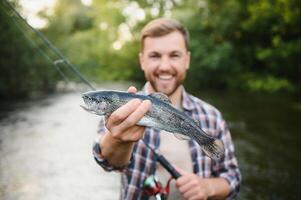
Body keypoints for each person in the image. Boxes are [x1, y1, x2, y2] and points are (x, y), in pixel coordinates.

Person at [92, 18, 241, 200]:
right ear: (142, 61)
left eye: (174, 55)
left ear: (187, 60)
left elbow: (233, 178)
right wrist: (118, 140)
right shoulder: (120, 109)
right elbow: (107, 162)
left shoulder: (212, 116)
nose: (164, 66)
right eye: (155, 56)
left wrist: (207, 187)